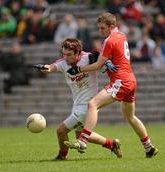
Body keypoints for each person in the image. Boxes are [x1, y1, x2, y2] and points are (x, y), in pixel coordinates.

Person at [65, 12, 158, 158]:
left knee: (92, 104)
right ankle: (149, 147)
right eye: (99, 28)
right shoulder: (121, 35)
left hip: (121, 81)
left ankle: (82, 141)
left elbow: (97, 66)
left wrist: (78, 69)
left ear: (112, 26)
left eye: (103, 28)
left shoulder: (109, 40)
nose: (101, 31)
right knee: (130, 117)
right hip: (131, 80)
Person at [34, 38, 122, 160]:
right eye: (64, 54)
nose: (66, 57)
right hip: (77, 104)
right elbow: (52, 67)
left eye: (69, 54)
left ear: (77, 53)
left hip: (89, 105)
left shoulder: (88, 57)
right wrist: (45, 68)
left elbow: (103, 58)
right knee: (81, 135)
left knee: (61, 131)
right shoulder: (64, 63)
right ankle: (112, 145)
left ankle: (62, 155)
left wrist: (107, 62)